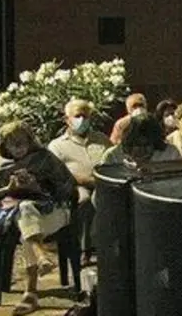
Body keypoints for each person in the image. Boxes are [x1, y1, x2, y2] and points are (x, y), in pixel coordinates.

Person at [0, 121, 78, 315]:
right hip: (26, 217)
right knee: (24, 213)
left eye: (21, 142)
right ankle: (39, 261)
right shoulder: (3, 167)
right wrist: (8, 189)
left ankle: (31, 292)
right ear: (4, 146)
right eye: (11, 143)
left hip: (54, 212)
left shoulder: (45, 159)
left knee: (25, 216)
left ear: (30, 141)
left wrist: (38, 188)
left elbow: (67, 188)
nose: (17, 147)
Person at [46, 98, 110, 263]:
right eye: (77, 116)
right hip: (75, 187)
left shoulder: (102, 139)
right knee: (84, 199)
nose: (82, 120)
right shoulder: (57, 146)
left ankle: (111, 247)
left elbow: (114, 160)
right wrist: (87, 181)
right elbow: (57, 173)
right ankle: (85, 250)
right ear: (67, 119)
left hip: (104, 184)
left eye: (86, 116)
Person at [101, 114, 181, 166]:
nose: (140, 150)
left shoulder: (171, 155)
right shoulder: (113, 156)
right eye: (136, 144)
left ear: (156, 144)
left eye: (146, 145)